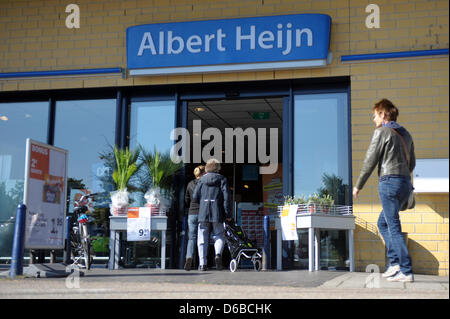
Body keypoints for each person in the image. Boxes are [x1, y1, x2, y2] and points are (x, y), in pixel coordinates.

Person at [353, 98, 415, 282]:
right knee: (383, 223)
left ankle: (406, 270)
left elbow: (369, 160)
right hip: (405, 183)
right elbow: (412, 163)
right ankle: (395, 262)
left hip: (389, 182)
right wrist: (401, 177)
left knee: (393, 226)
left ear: (383, 114)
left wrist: (358, 185)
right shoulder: (406, 134)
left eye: (374, 116)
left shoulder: (382, 132)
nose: (373, 120)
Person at [193, 158, 232, 271]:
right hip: (217, 212)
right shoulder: (222, 179)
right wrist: (228, 214)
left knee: (202, 238)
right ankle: (218, 254)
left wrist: (202, 201)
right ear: (217, 168)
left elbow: (195, 197)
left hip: (203, 212)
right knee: (219, 235)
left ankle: (202, 264)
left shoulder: (201, 180)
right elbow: (227, 198)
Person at [183, 165, 205, 271]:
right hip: (202, 213)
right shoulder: (204, 184)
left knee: (191, 238)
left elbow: (186, 200)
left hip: (191, 213)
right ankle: (202, 263)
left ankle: (189, 257)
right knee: (202, 239)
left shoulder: (189, 184)